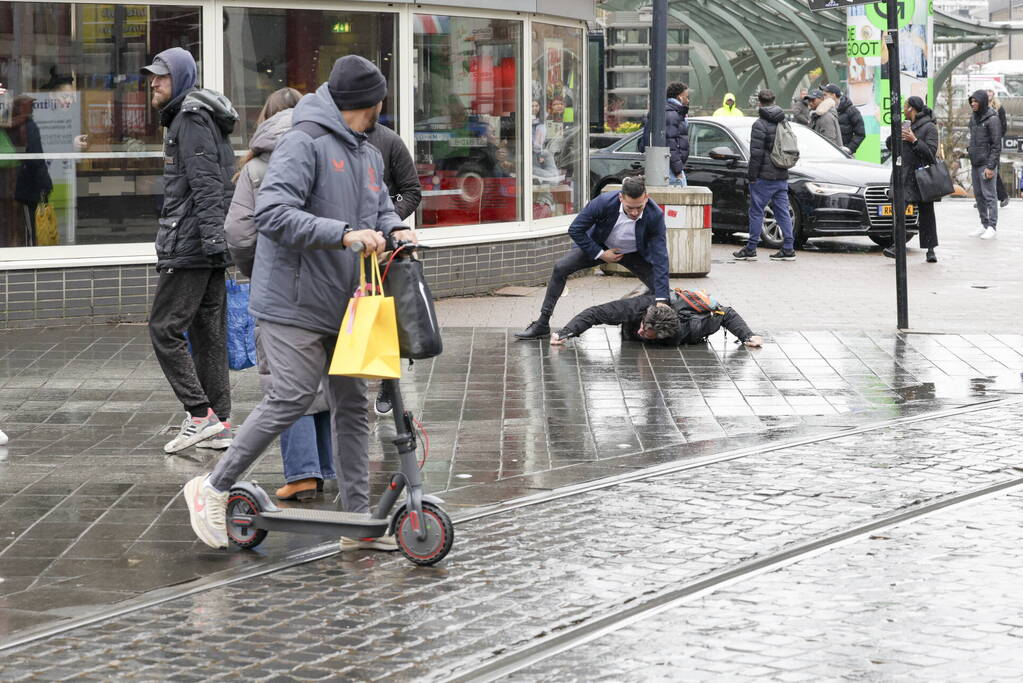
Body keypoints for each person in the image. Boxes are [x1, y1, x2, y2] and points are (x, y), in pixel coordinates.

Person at [182, 55, 414, 551]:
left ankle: (357, 525)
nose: (380, 110)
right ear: (367, 103)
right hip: (290, 302)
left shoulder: (368, 153)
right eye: (379, 103)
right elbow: (273, 214)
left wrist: (395, 229)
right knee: (289, 396)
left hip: (344, 303)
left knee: (352, 408)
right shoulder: (302, 143)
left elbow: (376, 207)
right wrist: (345, 234)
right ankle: (211, 486)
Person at [226, 86, 335, 502]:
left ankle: (304, 474)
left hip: (281, 288)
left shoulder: (255, 167)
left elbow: (238, 232)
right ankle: (327, 464)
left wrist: (258, 268)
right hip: (329, 280)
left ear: (264, 119)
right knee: (327, 373)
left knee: (284, 378)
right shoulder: (329, 151)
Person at [142, 48, 238, 454]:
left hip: (192, 244)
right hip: (204, 242)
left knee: (163, 328)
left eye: (161, 76)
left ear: (179, 78)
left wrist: (212, 241)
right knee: (207, 332)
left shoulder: (189, 119)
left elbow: (207, 184)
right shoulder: (193, 117)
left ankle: (200, 415)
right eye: (151, 77)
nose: (153, 82)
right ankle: (220, 422)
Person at [515, 175, 671, 340]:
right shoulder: (603, 202)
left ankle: (653, 328)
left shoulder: (655, 215)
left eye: (639, 208)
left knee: (663, 293)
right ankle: (542, 324)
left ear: (646, 198)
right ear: (620, 198)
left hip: (634, 253)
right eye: (629, 208)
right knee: (560, 267)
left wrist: (661, 301)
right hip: (601, 247)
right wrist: (601, 254)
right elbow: (575, 229)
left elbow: (661, 256)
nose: (634, 212)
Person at [366, 117, 423, 417]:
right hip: (345, 248)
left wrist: (389, 216)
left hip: (383, 250)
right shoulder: (331, 142)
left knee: (385, 318)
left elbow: (411, 190)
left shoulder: (388, 141)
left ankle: (388, 383)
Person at [549, 291, 763, 348]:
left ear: (662, 335)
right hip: (649, 299)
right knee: (630, 320)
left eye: (647, 333)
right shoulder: (638, 310)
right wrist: (566, 332)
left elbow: (726, 313)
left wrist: (748, 337)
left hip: (679, 322)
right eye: (644, 328)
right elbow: (596, 313)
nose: (643, 332)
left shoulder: (693, 326)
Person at [733, 89, 796, 262]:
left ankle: (751, 248)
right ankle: (789, 248)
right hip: (782, 173)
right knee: (782, 211)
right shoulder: (784, 120)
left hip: (764, 176)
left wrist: (752, 176)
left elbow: (757, 154)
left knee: (756, 211)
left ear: (759, 102)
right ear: (774, 100)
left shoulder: (759, 124)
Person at [884, 96, 940, 263]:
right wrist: (895, 134)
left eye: (905, 106)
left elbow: (930, 154)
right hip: (904, 176)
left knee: (926, 214)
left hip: (921, 176)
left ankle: (930, 250)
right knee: (899, 212)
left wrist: (914, 140)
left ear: (912, 108)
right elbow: (890, 146)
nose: (903, 109)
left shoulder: (930, 127)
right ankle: (897, 246)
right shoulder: (904, 125)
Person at [0, 94, 52, 247]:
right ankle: (27, 253)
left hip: (7, 185)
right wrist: (45, 183)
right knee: (28, 224)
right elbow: (37, 157)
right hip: (24, 185)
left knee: (8, 222)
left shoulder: (5, 127)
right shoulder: (28, 126)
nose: (32, 109)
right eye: (30, 105)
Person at [639, 82, 690, 187]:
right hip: (670, 169)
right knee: (678, 200)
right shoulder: (671, 114)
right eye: (686, 97)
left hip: (665, 166)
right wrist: (678, 170)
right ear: (680, 97)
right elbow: (671, 143)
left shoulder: (666, 111)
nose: (688, 100)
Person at [967, 90, 1001, 240]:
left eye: (975, 101)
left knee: (990, 196)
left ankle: (992, 226)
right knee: (979, 196)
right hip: (975, 162)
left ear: (982, 101)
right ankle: (984, 224)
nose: (973, 104)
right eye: (971, 101)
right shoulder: (973, 118)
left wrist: (991, 166)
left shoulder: (993, 119)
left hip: (986, 164)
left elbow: (996, 145)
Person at [824, 84, 864, 154]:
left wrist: (849, 149)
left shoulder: (852, 111)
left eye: (825, 95)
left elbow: (860, 133)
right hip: (828, 152)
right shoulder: (825, 110)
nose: (823, 98)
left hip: (844, 155)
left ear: (833, 95)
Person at [986, 90, 1009, 208]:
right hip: (983, 144)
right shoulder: (981, 107)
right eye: (986, 91)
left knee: (993, 169)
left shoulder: (999, 108)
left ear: (993, 93)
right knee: (981, 169)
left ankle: (1003, 196)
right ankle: (984, 198)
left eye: (990, 91)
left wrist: (996, 137)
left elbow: (1004, 126)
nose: (988, 93)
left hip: (994, 144)